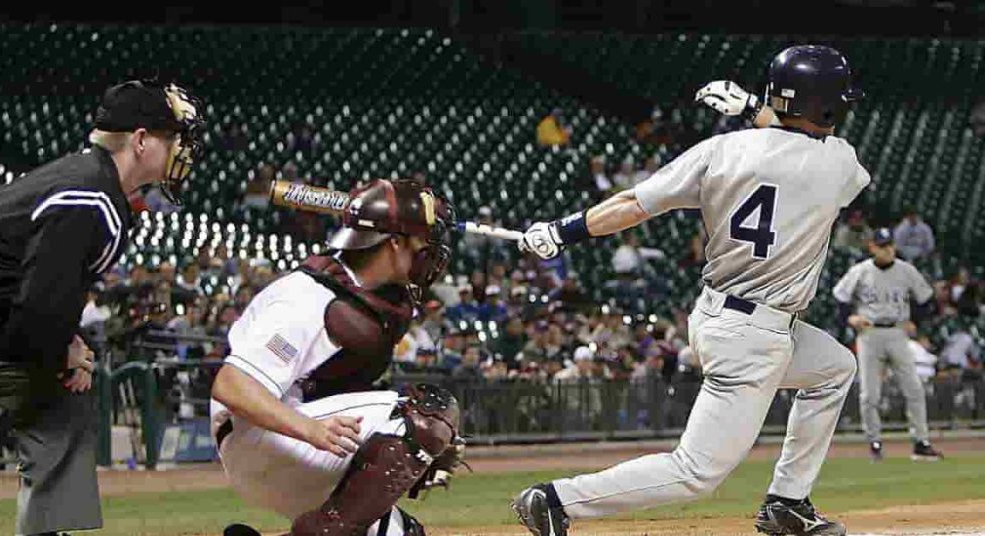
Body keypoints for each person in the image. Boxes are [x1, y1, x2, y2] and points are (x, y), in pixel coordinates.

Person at [513, 45, 865, 536]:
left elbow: (633, 204)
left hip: (721, 316)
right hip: (752, 339)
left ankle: (788, 501)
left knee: (834, 369)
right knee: (696, 472)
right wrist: (750, 107)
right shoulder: (838, 162)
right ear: (826, 105)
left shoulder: (719, 150)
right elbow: (793, 140)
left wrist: (561, 231)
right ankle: (556, 500)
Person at [0, 78, 203, 536]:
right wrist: (60, 348)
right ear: (141, 140)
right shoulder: (88, 193)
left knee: (57, 400)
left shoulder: (96, 185)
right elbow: (37, 307)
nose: (179, 150)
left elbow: (31, 282)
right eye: (172, 138)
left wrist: (64, 343)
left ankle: (46, 529)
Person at [212, 180, 466, 536]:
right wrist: (310, 429)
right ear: (394, 242)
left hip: (292, 445)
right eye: (424, 240)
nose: (432, 252)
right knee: (427, 412)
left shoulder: (366, 295)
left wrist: (419, 456)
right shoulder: (306, 296)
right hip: (263, 438)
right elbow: (232, 385)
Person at [832, 228, 943, 462]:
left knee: (913, 388)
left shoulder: (906, 270)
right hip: (869, 333)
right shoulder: (860, 271)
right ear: (872, 247)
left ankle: (921, 442)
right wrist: (851, 318)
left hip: (896, 332)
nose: (888, 249)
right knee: (870, 394)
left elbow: (927, 300)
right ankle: (874, 442)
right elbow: (840, 299)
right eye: (882, 245)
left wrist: (916, 323)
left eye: (890, 245)